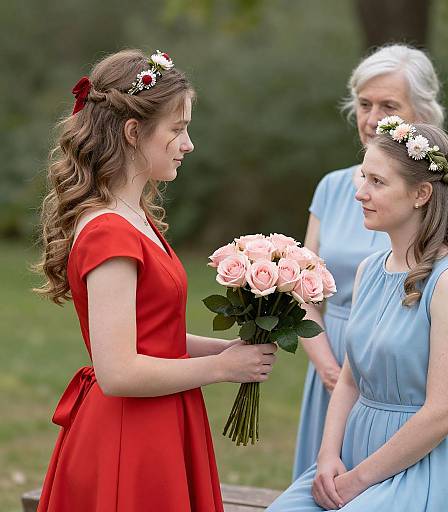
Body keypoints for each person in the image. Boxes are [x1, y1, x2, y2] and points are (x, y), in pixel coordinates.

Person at [33, 49, 277, 512]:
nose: (189, 144)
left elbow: (150, 335)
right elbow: (119, 371)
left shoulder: (135, 217)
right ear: (132, 132)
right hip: (130, 433)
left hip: (162, 414)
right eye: (178, 129)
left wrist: (223, 349)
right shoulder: (108, 233)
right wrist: (222, 370)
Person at [267, 120, 448, 511]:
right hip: (356, 453)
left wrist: (357, 482)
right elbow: (349, 381)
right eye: (363, 178)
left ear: (421, 193)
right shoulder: (370, 270)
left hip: (424, 464)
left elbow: (442, 414)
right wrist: (326, 458)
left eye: (377, 182)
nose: (359, 193)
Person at [293, 44, 448, 480]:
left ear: (421, 112)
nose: (373, 117)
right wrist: (328, 364)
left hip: (411, 374)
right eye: (365, 104)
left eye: (389, 105)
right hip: (338, 359)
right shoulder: (331, 187)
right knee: (325, 481)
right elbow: (305, 289)